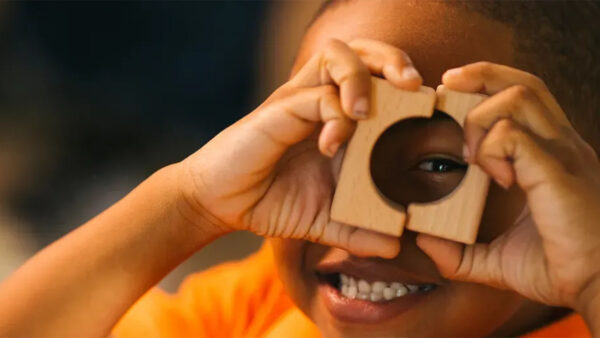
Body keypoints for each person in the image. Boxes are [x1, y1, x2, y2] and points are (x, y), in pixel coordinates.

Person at [1, 1, 599, 336]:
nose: (366, 224)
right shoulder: (260, 305)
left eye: (441, 163)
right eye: (326, 141)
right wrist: (187, 202)